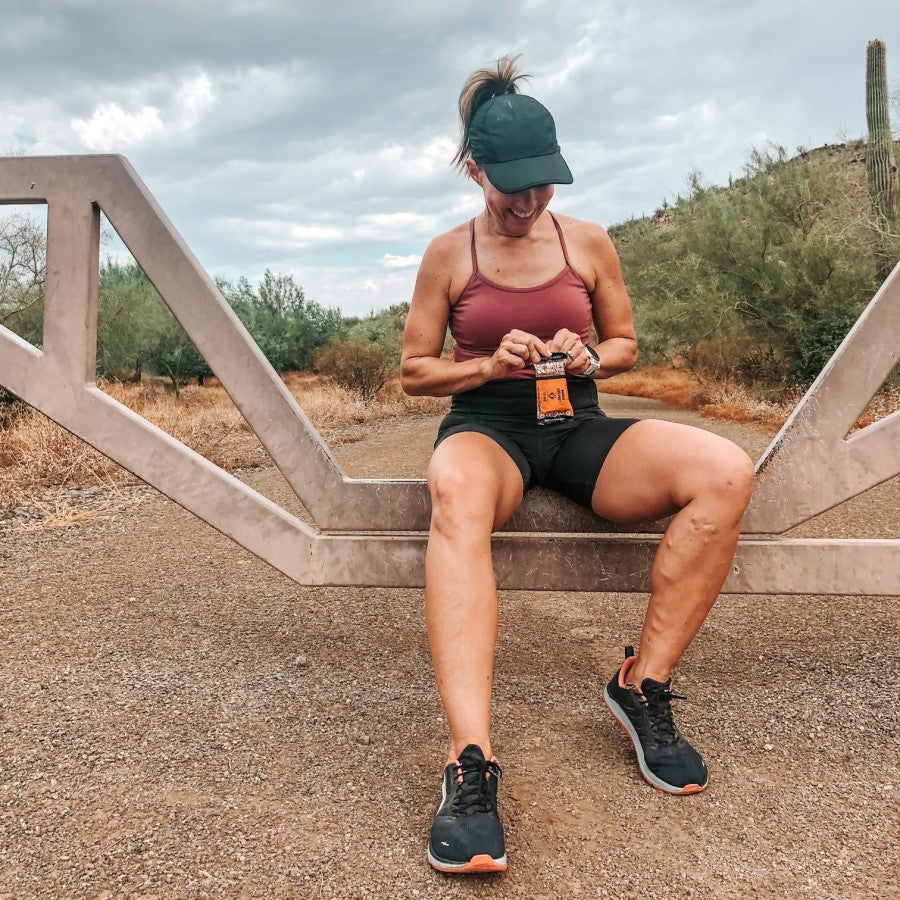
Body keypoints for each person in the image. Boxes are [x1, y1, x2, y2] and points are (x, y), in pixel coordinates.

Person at [400, 56, 755, 875]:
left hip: (577, 424)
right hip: (489, 431)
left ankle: (642, 684)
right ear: (474, 168)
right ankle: (469, 764)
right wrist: (486, 364)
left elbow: (627, 344)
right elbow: (416, 371)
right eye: (509, 188)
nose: (526, 206)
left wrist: (589, 355)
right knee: (455, 493)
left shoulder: (587, 241)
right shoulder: (447, 255)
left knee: (726, 470)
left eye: (542, 188)